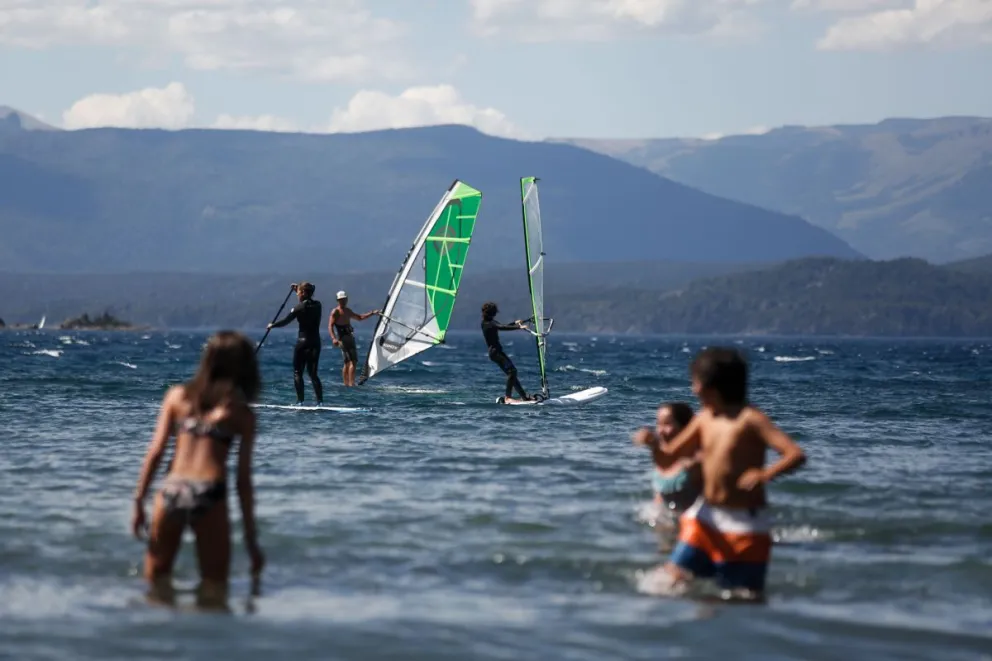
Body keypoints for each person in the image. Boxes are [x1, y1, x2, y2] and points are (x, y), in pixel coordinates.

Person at [634, 347, 806, 601]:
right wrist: (652, 445)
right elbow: (669, 456)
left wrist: (765, 474)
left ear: (712, 387)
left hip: (745, 525)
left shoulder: (750, 419)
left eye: (695, 382)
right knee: (661, 583)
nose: (693, 390)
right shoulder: (704, 419)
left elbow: (794, 454)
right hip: (705, 519)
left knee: (743, 598)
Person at [131, 331, 265, 609]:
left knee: (155, 587)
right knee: (215, 592)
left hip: (171, 490)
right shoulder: (241, 415)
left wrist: (138, 502)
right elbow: (243, 481)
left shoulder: (177, 397)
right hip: (209, 491)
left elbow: (155, 453)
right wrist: (251, 540)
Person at [633, 401, 701, 549]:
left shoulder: (697, 460)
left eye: (667, 424)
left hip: (693, 534)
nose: (661, 431)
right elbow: (660, 498)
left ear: (686, 428)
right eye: (658, 424)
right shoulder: (661, 456)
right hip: (663, 530)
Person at [267, 282, 323, 405]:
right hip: (315, 343)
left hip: (302, 343)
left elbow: (286, 321)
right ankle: (320, 402)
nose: (297, 295)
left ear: (302, 293)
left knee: (298, 372)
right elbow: (309, 294)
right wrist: (298, 288)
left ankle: (300, 401)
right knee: (313, 374)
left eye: (298, 293)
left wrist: (272, 325)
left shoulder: (299, 308)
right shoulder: (318, 305)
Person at [481, 301, 536, 403]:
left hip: (495, 353)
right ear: (493, 313)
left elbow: (502, 325)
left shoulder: (487, 322)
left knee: (512, 374)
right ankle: (508, 397)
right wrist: (518, 327)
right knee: (512, 372)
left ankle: (524, 397)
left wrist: (516, 323)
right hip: (496, 353)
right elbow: (502, 327)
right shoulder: (488, 324)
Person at [328, 290, 380, 387]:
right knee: (349, 361)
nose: (343, 301)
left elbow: (359, 318)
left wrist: (372, 313)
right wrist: (333, 338)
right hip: (342, 338)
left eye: (344, 299)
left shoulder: (347, 311)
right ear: (338, 300)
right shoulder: (336, 312)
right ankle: (348, 383)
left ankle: (350, 383)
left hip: (349, 337)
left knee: (352, 361)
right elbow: (330, 326)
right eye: (341, 300)